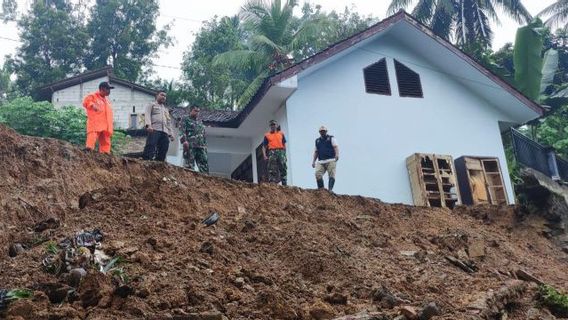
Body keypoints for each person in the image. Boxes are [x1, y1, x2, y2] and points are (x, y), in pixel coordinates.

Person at [82, 81, 114, 153]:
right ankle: (88, 151)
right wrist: (92, 105)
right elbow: (86, 102)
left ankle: (105, 155)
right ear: (102, 88)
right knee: (92, 138)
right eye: (108, 89)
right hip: (95, 124)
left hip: (106, 126)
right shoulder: (93, 96)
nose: (109, 91)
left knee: (106, 142)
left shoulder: (107, 101)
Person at [142, 90, 174, 161]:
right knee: (151, 145)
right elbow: (147, 114)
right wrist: (148, 125)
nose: (164, 97)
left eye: (165, 96)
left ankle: (159, 162)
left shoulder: (166, 110)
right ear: (157, 96)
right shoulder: (151, 105)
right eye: (162, 95)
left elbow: (168, 122)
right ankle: (146, 161)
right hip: (154, 129)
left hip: (164, 131)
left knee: (164, 146)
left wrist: (171, 133)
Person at [180, 106, 209, 173]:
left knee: (204, 164)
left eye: (198, 111)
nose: (197, 113)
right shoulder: (185, 119)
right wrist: (184, 141)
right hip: (190, 146)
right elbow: (182, 130)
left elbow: (203, 134)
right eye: (195, 111)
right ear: (190, 111)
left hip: (201, 146)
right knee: (189, 166)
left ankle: (205, 180)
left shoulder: (200, 121)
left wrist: (205, 145)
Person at [311, 125, 339, 191]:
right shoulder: (317, 141)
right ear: (319, 132)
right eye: (321, 131)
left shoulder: (331, 138)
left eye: (323, 131)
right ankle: (321, 190)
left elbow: (335, 147)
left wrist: (337, 154)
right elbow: (316, 151)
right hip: (321, 161)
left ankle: (330, 190)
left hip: (331, 159)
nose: (322, 132)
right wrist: (313, 161)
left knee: (331, 174)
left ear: (326, 131)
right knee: (317, 174)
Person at [262, 120, 287, 185]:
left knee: (283, 166)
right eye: (271, 125)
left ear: (276, 125)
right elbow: (264, 146)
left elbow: (284, 144)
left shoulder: (281, 134)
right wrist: (264, 155)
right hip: (272, 151)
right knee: (272, 167)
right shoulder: (267, 135)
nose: (273, 126)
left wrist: (285, 154)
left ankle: (284, 182)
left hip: (281, 151)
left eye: (274, 125)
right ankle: (272, 182)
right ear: (270, 126)